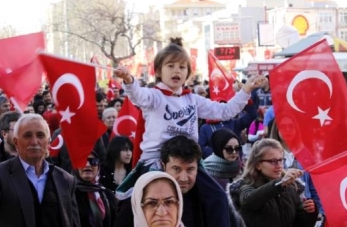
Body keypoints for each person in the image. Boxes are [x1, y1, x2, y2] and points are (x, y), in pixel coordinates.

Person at [114, 37, 265, 227]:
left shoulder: (192, 99)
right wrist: (129, 80)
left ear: (188, 73)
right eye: (170, 66)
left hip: (189, 161)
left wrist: (246, 89)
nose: (176, 70)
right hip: (157, 162)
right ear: (159, 71)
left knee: (217, 197)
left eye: (182, 67)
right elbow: (138, 94)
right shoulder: (154, 97)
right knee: (138, 204)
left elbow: (225, 111)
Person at [0, 113, 80, 226]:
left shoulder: (66, 180)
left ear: (48, 142)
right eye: (27, 136)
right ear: (16, 142)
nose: (34, 142)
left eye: (40, 136)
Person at [227, 138, 318, 227]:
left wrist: (309, 212)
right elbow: (249, 201)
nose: (279, 166)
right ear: (258, 165)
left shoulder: (291, 186)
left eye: (281, 160)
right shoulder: (247, 185)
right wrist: (280, 184)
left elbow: (299, 224)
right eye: (273, 161)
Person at [74, 150, 117, 227]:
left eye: (93, 161)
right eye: (82, 161)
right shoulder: (70, 193)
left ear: (98, 167)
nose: (87, 165)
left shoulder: (107, 194)